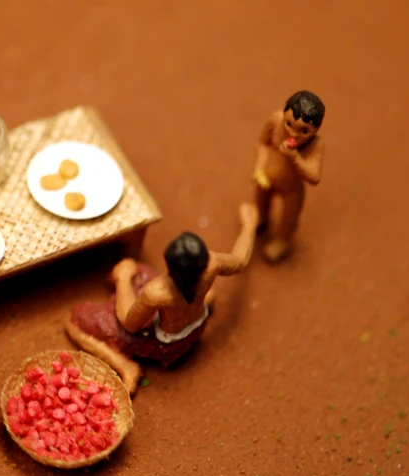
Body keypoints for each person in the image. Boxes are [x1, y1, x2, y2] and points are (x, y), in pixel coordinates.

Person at [65, 203, 258, 394]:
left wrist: (123, 279)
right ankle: (205, 302)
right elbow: (240, 260)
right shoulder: (212, 264)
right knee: (138, 269)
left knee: (74, 320)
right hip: (196, 325)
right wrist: (250, 225)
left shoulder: (158, 292)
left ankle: (125, 366)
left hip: (167, 345)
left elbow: (128, 322)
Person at [253, 90, 326, 263]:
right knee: (261, 201)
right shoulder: (275, 120)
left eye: (304, 131)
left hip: (291, 189)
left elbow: (314, 177)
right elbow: (263, 144)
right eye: (289, 124)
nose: (293, 134)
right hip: (268, 178)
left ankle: (282, 242)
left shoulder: (316, 145)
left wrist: (295, 158)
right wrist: (259, 167)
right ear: (284, 113)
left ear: (316, 129)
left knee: (288, 219)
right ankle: (261, 218)